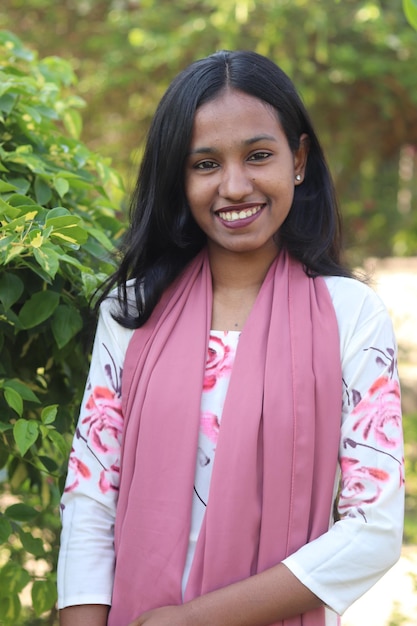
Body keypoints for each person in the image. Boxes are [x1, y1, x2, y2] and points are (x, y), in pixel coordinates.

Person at [57, 50, 404, 626]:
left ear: (298, 159)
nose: (235, 186)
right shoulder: (132, 311)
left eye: (259, 156)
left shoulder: (353, 315)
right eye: (205, 164)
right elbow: (92, 501)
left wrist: (193, 620)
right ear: (178, 175)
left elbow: (374, 530)